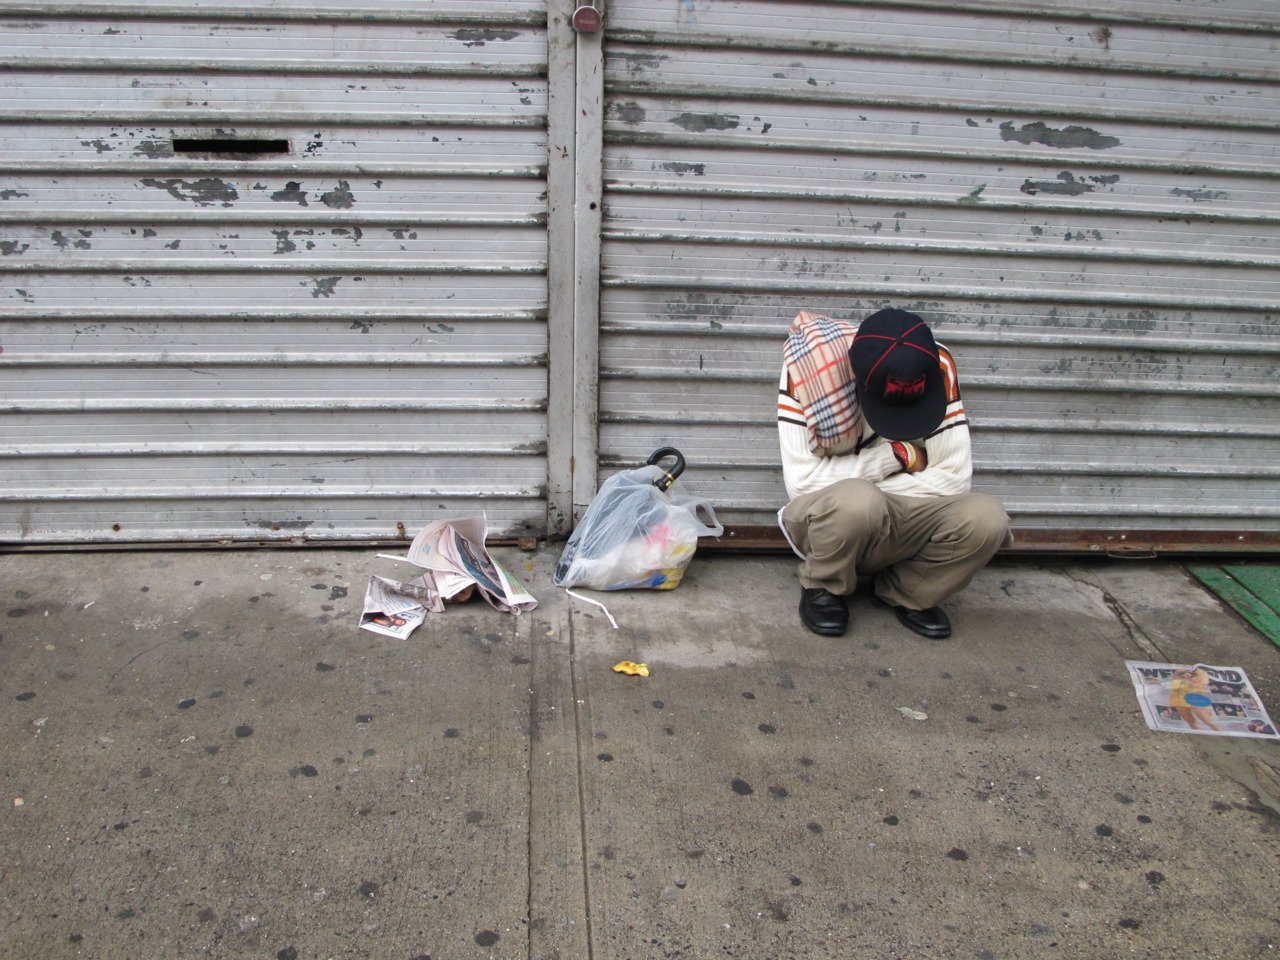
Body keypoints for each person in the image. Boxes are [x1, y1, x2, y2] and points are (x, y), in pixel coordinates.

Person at [777, 308, 1012, 639]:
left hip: (901, 516)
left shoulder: (934, 364)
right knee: (858, 501)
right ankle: (824, 585)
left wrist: (882, 500)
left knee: (987, 517)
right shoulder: (809, 371)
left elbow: (955, 478)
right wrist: (900, 455)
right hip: (835, 518)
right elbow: (802, 483)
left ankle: (908, 591)